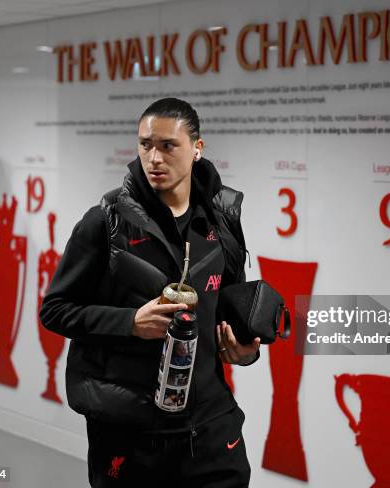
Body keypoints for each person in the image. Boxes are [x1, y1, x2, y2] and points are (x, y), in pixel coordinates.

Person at [39, 98, 260, 487]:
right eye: (145, 145)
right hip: (130, 435)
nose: (153, 157)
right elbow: (55, 310)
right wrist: (130, 323)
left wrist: (246, 351)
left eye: (167, 145)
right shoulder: (105, 221)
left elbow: (229, 309)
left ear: (197, 148)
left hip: (210, 429)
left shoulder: (223, 221)